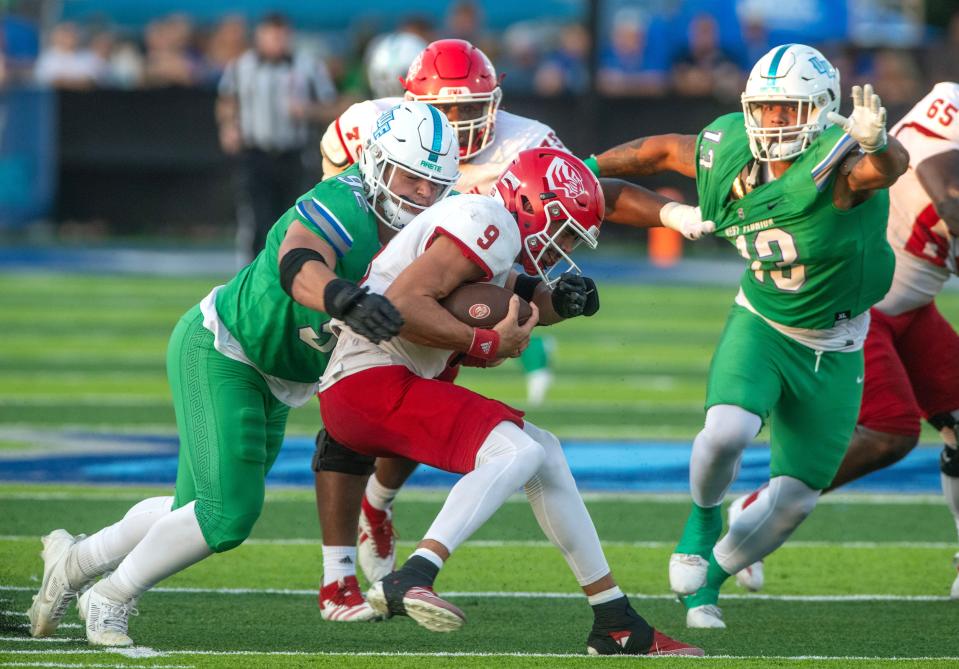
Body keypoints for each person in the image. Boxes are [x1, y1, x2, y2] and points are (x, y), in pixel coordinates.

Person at [26, 100, 459, 645]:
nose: (421, 195)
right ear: (375, 162)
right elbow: (298, 264)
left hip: (283, 378)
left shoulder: (442, 220)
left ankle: (72, 563)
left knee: (189, 511)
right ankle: (109, 597)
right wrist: (341, 299)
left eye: (432, 185)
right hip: (224, 350)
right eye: (410, 177)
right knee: (228, 514)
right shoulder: (342, 201)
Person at [314, 37, 714, 607]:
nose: (456, 125)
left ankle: (612, 614)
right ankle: (380, 574)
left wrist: (554, 299)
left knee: (518, 437)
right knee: (511, 447)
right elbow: (342, 216)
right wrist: (478, 337)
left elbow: (583, 192)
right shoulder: (375, 131)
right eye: (445, 110)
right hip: (373, 314)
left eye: (470, 110)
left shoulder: (523, 154)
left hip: (437, 296)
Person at [587, 44, 908, 628]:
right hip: (762, 322)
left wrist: (876, 141)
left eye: (788, 110)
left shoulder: (840, 165)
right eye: (765, 107)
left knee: (795, 500)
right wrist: (585, 164)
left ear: (821, 109)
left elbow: (885, 169)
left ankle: (711, 577)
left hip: (836, 346)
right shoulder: (730, 146)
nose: (773, 121)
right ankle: (702, 519)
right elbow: (660, 150)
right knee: (724, 431)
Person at [729, 81, 959, 598]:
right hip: (858, 303)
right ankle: (759, 507)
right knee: (890, 432)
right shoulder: (951, 104)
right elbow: (948, 196)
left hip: (913, 305)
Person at [216, 12, 340, 265]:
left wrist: (308, 110)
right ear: (259, 36)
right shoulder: (241, 67)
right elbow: (227, 101)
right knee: (256, 219)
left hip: (293, 155)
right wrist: (229, 126)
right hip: (256, 153)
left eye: (281, 36)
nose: (276, 41)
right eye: (271, 35)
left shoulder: (308, 67)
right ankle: (251, 273)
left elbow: (333, 105)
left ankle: (289, 269)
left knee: (292, 217)